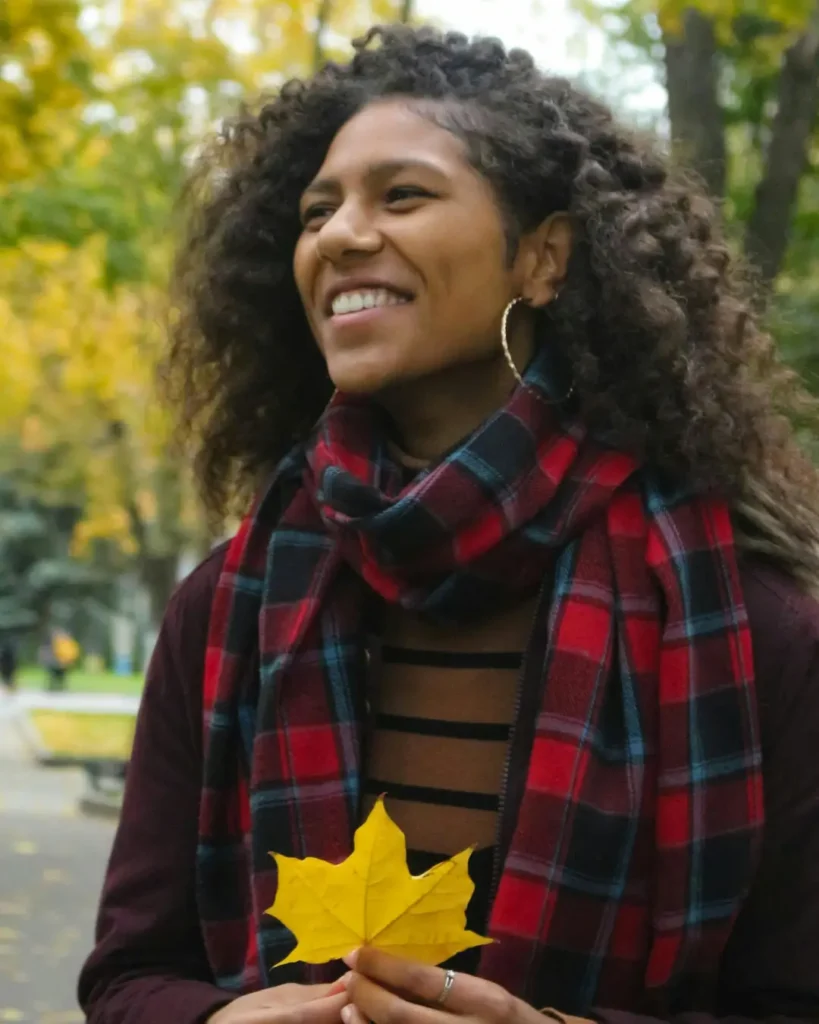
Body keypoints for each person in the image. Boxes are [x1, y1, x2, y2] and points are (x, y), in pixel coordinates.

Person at [79, 24, 819, 1024]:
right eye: (317, 210)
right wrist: (215, 1019)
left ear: (545, 259)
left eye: (403, 195)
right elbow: (129, 976)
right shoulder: (228, 610)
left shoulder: (750, 622)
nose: (341, 234)